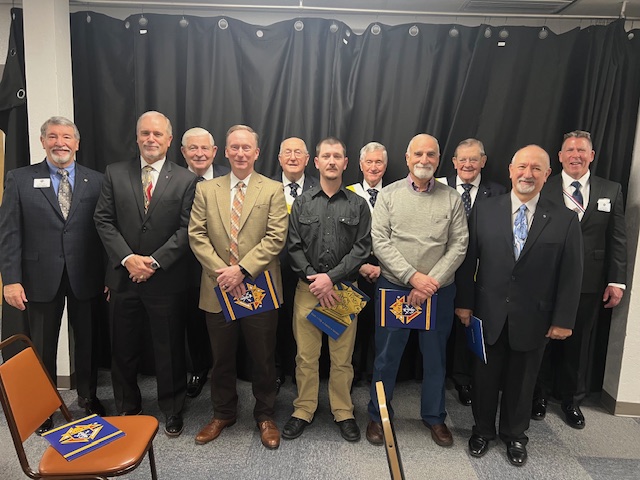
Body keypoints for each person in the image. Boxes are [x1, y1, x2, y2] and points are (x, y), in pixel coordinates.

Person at [455, 145, 583, 467]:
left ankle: (515, 436)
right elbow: (469, 260)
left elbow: (571, 275)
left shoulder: (565, 219)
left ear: (547, 174)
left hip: (535, 317)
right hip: (488, 313)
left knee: (523, 382)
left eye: (536, 169)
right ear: (510, 170)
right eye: (522, 167)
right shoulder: (484, 210)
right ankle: (483, 431)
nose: (528, 174)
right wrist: (465, 304)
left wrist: (564, 319)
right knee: (483, 379)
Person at [0, 116, 106, 434]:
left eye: (66, 137)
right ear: (42, 141)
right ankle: (45, 406)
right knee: (42, 346)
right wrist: (11, 279)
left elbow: (103, 232)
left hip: (85, 275)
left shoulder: (96, 180)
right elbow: (9, 233)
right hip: (38, 278)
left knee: (86, 341)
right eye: (53, 136)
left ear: (77, 143)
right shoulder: (19, 179)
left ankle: (88, 398)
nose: (60, 142)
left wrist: (107, 275)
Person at [94, 111, 196, 437]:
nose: (150, 139)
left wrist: (152, 262)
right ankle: (128, 405)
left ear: (169, 140)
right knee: (122, 347)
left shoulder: (185, 179)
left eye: (157, 134)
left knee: (168, 347)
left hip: (165, 279)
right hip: (123, 279)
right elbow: (103, 220)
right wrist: (127, 259)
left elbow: (187, 230)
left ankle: (172, 408)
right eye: (145, 133)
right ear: (136, 137)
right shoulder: (114, 173)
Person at [189, 125, 288, 450]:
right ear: (226, 152)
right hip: (217, 288)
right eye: (235, 148)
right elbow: (196, 235)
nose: (241, 153)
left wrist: (242, 270)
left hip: (259, 289)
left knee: (263, 358)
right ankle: (223, 413)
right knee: (221, 359)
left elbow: (276, 238)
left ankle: (265, 416)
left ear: (257, 153)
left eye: (247, 148)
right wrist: (224, 273)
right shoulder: (207, 189)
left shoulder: (272, 189)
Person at [365, 134, 468, 448]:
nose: (424, 160)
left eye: (431, 155)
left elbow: (459, 244)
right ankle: (378, 414)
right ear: (407, 157)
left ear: (438, 159)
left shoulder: (452, 198)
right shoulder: (390, 195)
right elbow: (379, 241)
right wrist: (412, 277)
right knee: (385, 358)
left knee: (435, 358)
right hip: (396, 290)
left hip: (437, 292)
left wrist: (429, 282)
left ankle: (435, 417)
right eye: (418, 154)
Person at [532, 130, 627, 428]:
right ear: (559, 156)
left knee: (579, 343)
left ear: (592, 156)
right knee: (542, 339)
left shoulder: (610, 190)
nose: (576, 155)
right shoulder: (542, 188)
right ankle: (539, 396)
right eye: (570, 150)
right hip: (547, 279)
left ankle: (572, 400)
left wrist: (617, 281)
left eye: (581, 150)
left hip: (589, 281)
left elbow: (618, 239)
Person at [283, 137, 371, 442]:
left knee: (342, 359)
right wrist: (314, 278)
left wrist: (330, 278)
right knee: (305, 357)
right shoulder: (302, 203)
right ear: (316, 162)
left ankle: (343, 411)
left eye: (337, 156)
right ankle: (303, 409)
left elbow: (361, 249)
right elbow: (292, 246)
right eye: (326, 156)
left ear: (345, 163)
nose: (331, 161)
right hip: (308, 291)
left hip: (344, 291)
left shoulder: (358, 204)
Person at [446, 138, 507, 406]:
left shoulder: (499, 191)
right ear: (454, 162)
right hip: (442, 269)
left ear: (483, 161)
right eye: (463, 159)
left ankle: (464, 379)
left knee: (469, 324)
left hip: (480, 272)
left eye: (474, 159)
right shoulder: (438, 187)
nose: (468, 164)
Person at [180, 127, 230, 398]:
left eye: (204, 148)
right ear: (183, 152)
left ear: (214, 151)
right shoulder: (173, 178)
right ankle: (199, 369)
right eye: (193, 148)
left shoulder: (230, 176)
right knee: (194, 321)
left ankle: (231, 373)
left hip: (226, 264)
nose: (199, 154)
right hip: (186, 265)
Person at [273, 137, 318, 390]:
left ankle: (304, 373)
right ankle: (278, 369)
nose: (292, 157)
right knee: (275, 322)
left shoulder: (319, 186)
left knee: (308, 323)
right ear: (279, 158)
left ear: (307, 159)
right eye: (287, 152)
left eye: (298, 153)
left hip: (309, 270)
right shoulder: (265, 186)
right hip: (273, 267)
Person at [347, 142, 388, 385]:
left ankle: (376, 376)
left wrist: (383, 267)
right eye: (369, 162)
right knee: (351, 321)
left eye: (378, 162)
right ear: (361, 165)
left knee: (379, 324)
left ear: (385, 165)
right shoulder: (348, 193)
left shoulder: (395, 193)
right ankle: (350, 373)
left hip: (385, 267)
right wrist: (360, 264)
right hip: (353, 267)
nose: (373, 167)